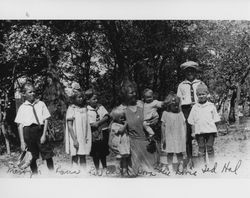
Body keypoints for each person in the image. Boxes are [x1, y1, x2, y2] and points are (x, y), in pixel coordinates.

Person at [119, 81, 157, 175]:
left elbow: (153, 115)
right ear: (125, 95)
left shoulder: (141, 104)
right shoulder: (121, 109)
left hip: (147, 142)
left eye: (135, 92)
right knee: (133, 174)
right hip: (133, 144)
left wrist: (154, 121)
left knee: (149, 172)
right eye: (131, 93)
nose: (134, 94)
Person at [15, 83, 54, 175]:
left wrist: (44, 134)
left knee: (48, 154)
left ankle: (53, 175)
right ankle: (35, 176)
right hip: (28, 133)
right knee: (31, 156)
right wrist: (22, 141)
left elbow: (46, 120)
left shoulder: (41, 104)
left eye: (34, 92)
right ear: (24, 94)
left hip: (39, 131)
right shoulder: (22, 107)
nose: (33, 93)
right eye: (30, 92)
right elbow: (20, 125)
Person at [177, 61, 206, 168]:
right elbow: (178, 101)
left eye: (192, 70)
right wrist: (180, 114)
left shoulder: (200, 83)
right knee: (187, 135)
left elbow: (206, 96)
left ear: (195, 72)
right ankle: (189, 160)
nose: (190, 73)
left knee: (200, 134)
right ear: (184, 73)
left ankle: (201, 160)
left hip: (198, 109)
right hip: (186, 110)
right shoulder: (181, 85)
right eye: (187, 71)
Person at [188, 83, 220, 166]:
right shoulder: (195, 107)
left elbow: (216, 120)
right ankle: (203, 166)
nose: (201, 96)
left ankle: (212, 165)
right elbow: (192, 121)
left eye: (203, 94)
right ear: (197, 95)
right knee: (201, 149)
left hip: (210, 131)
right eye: (199, 94)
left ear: (207, 94)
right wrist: (193, 132)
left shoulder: (211, 106)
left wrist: (216, 130)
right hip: (199, 132)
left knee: (210, 147)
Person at [65, 89, 91, 170]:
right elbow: (69, 126)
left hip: (83, 136)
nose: (81, 99)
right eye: (79, 97)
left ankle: (84, 172)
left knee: (82, 155)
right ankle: (75, 172)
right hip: (75, 136)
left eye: (82, 97)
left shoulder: (84, 108)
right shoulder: (71, 109)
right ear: (74, 99)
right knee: (75, 154)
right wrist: (75, 140)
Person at [86, 89, 110, 176]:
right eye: (93, 99)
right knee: (95, 152)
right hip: (93, 134)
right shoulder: (86, 110)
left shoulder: (101, 107)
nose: (96, 100)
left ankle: (105, 167)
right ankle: (97, 169)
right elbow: (87, 122)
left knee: (103, 151)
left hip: (103, 132)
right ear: (88, 101)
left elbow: (106, 116)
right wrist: (92, 125)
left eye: (96, 99)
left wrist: (99, 123)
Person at [160, 93, 186, 173]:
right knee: (170, 152)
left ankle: (180, 165)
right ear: (169, 105)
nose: (176, 107)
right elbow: (163, 125)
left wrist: (184, 136)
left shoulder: (180, 113)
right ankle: (170, 166)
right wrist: (163, 137)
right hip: (169, 137)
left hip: (179, 136)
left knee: (179, 152)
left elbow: (184, 125)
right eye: (174, 105)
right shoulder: (165, 114)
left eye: (177, 105)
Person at [110, 107, 130, 176]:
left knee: (125, 158)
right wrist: (126, 124)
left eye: (124, 117)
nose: (123, 119)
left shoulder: (123, 125)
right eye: (121, 118)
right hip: (119, 144)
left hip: (125, 144)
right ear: (116, 118)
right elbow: (121, 131)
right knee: (119, 158)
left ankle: (125, 170)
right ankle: (118, 171)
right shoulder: (114, 125)